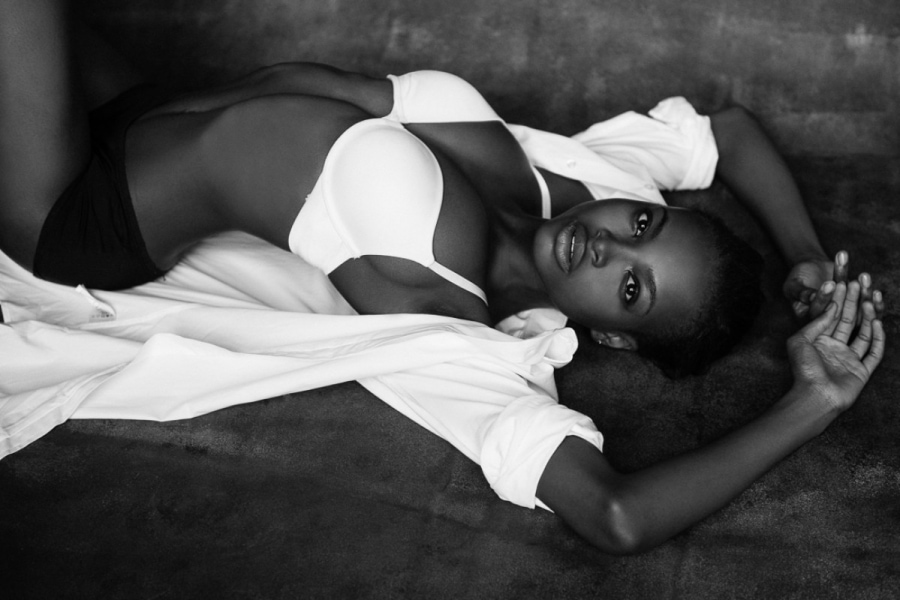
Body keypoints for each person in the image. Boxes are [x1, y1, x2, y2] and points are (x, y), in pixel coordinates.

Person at [0, 0, 886, 553]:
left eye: (631, 288)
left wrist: (813, 402)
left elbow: (617, 516)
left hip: (78, 213)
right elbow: (729, 131)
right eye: (643, 227)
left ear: (613, 337)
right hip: (131, 114)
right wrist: (802, 253)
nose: (608, 246)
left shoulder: (463, 334)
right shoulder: (585, 178)